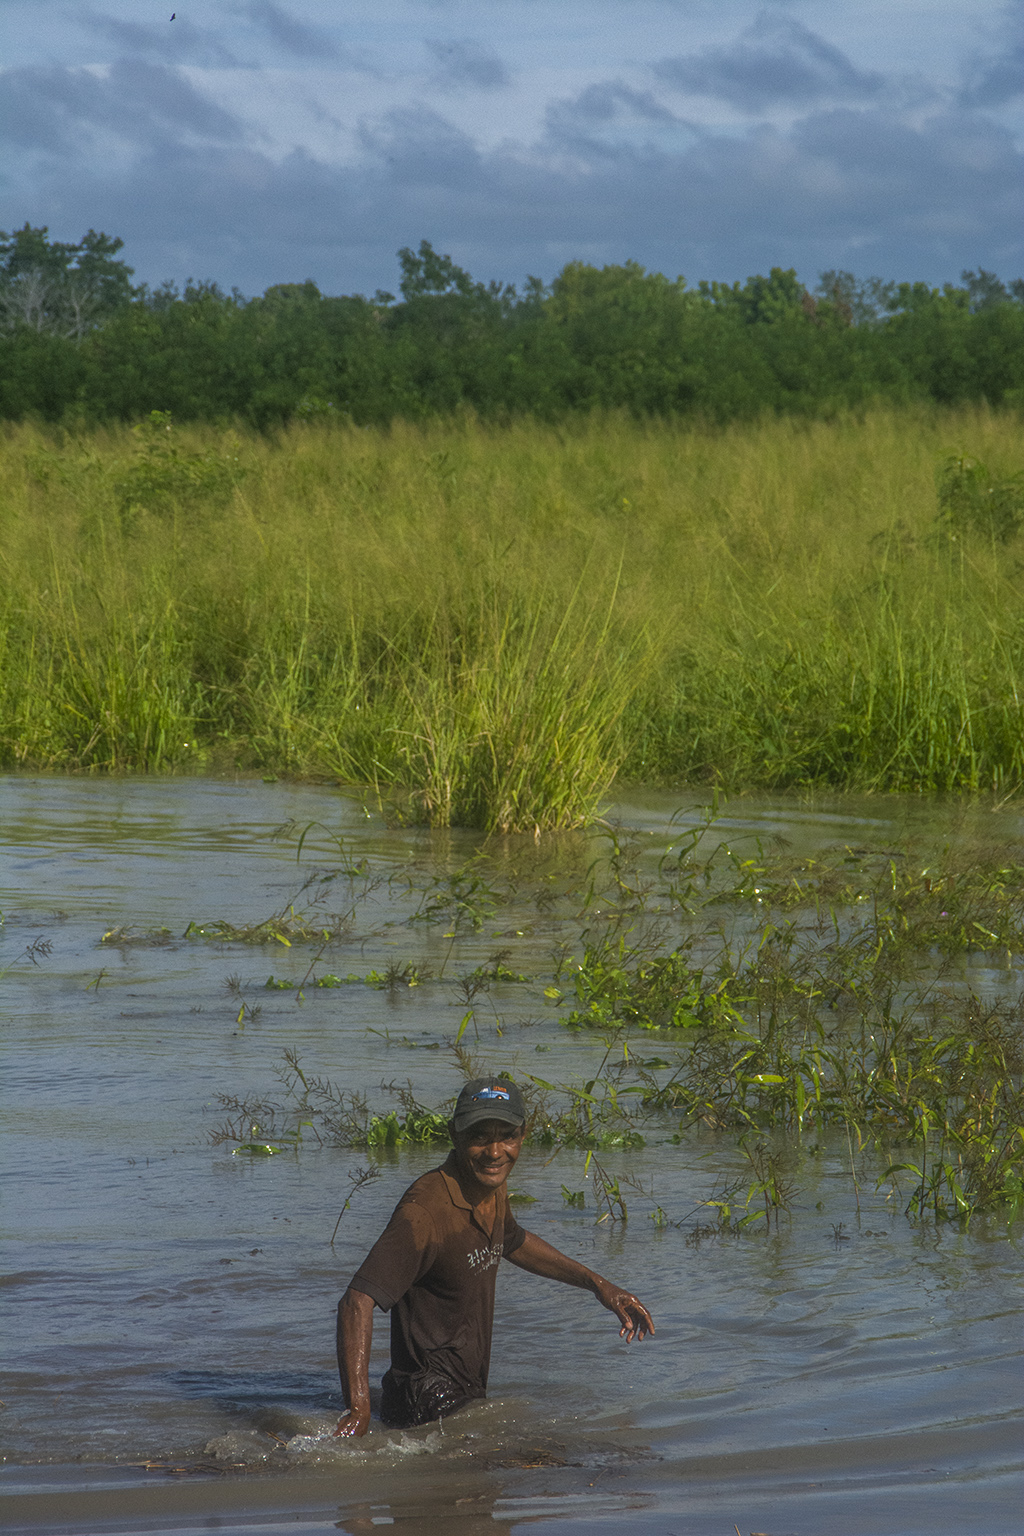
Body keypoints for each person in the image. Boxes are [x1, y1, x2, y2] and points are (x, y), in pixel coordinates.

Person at [333, 1078, 654, 1436]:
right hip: (426, 1396)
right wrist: (359, 1410)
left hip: (464, 1390)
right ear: (455, 1134)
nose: (495, 1151)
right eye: (480, 1136)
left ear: (523, 1134)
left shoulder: (491, 1184)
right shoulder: (425, 1212)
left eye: (508, 1135)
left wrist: (599, 1286)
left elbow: (512, 1241)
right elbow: (356, 1302)